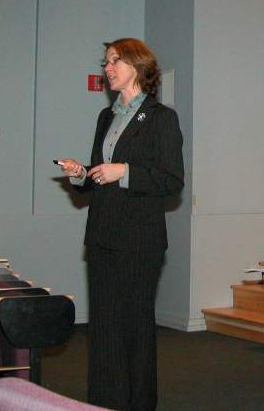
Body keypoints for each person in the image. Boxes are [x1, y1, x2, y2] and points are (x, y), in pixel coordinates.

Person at [58, 38, 184, 411]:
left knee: (134, 328)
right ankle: (104, 403)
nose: (107, 68)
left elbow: (171, 180)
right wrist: (82, 174)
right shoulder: (106, 118)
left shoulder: (162, 118)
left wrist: (124, 172)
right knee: (104, 329)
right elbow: (101, 175)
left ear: (138, 65)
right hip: (102, 235)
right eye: (106, 61)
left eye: (115, 61)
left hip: (139, 240)